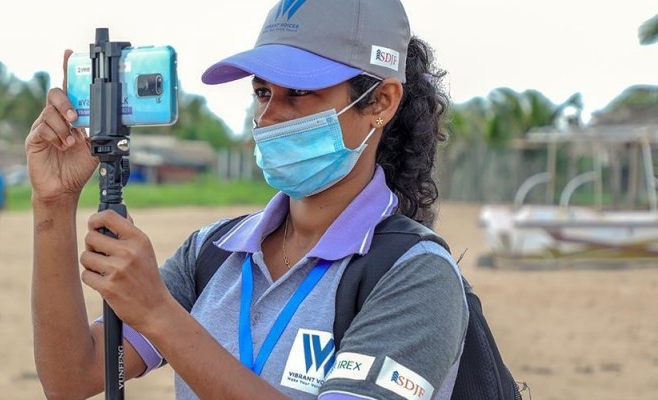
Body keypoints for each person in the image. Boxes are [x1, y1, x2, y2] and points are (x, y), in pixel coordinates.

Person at [27, 1, 469, 399]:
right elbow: (73, 377)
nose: (268, 115)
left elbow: (159, 319)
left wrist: (159, 313)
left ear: (382, 102)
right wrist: (54, 203)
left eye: (298, 92)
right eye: (262, 92)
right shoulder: (213, 252)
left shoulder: (416, 274)